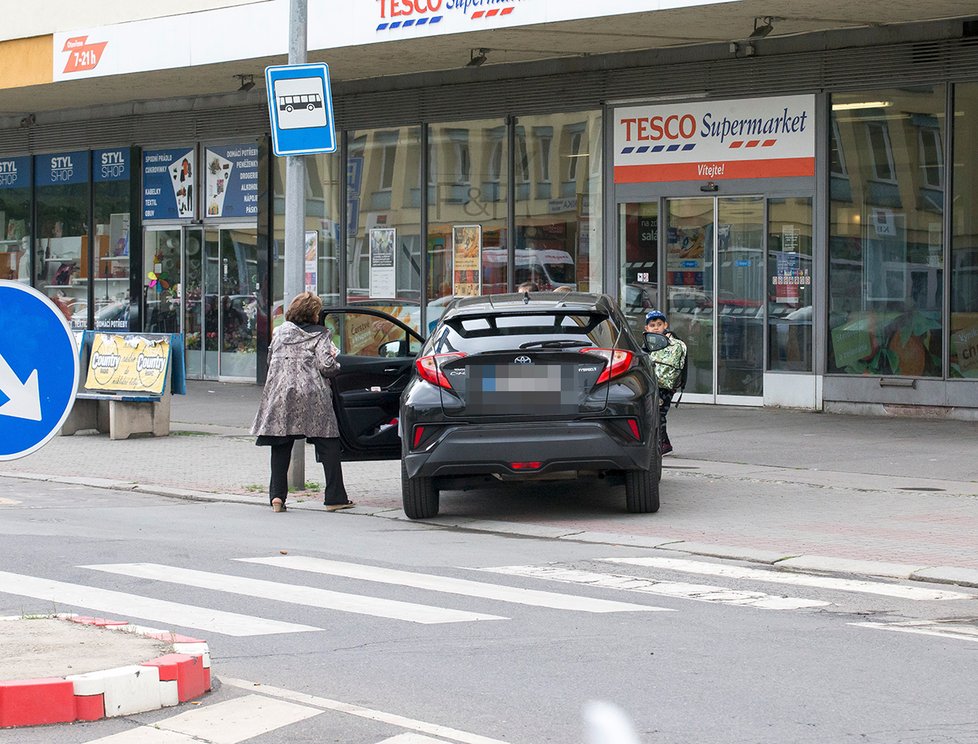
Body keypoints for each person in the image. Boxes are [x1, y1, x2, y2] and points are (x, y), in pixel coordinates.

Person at [251, 291, 353, 513]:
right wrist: (339, 367)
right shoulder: (321, 334)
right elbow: (326, 365)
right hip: (312, 395)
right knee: (328, 443)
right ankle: (335, 497)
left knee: (281, 444)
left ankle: (277, 497)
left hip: (280, 394)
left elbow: (270, 360)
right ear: (313, 313)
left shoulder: (279, 333)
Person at [644, 309, 687, 456]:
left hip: (665, 387)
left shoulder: (672, 343)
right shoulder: (647, 343)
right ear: (647, 328)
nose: (656, 327)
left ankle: (663, 444)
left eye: (659, 324)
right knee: (656, 414)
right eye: (652, 325)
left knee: (659, 413)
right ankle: (664, 443)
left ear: (665, 325)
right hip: (653, 385)